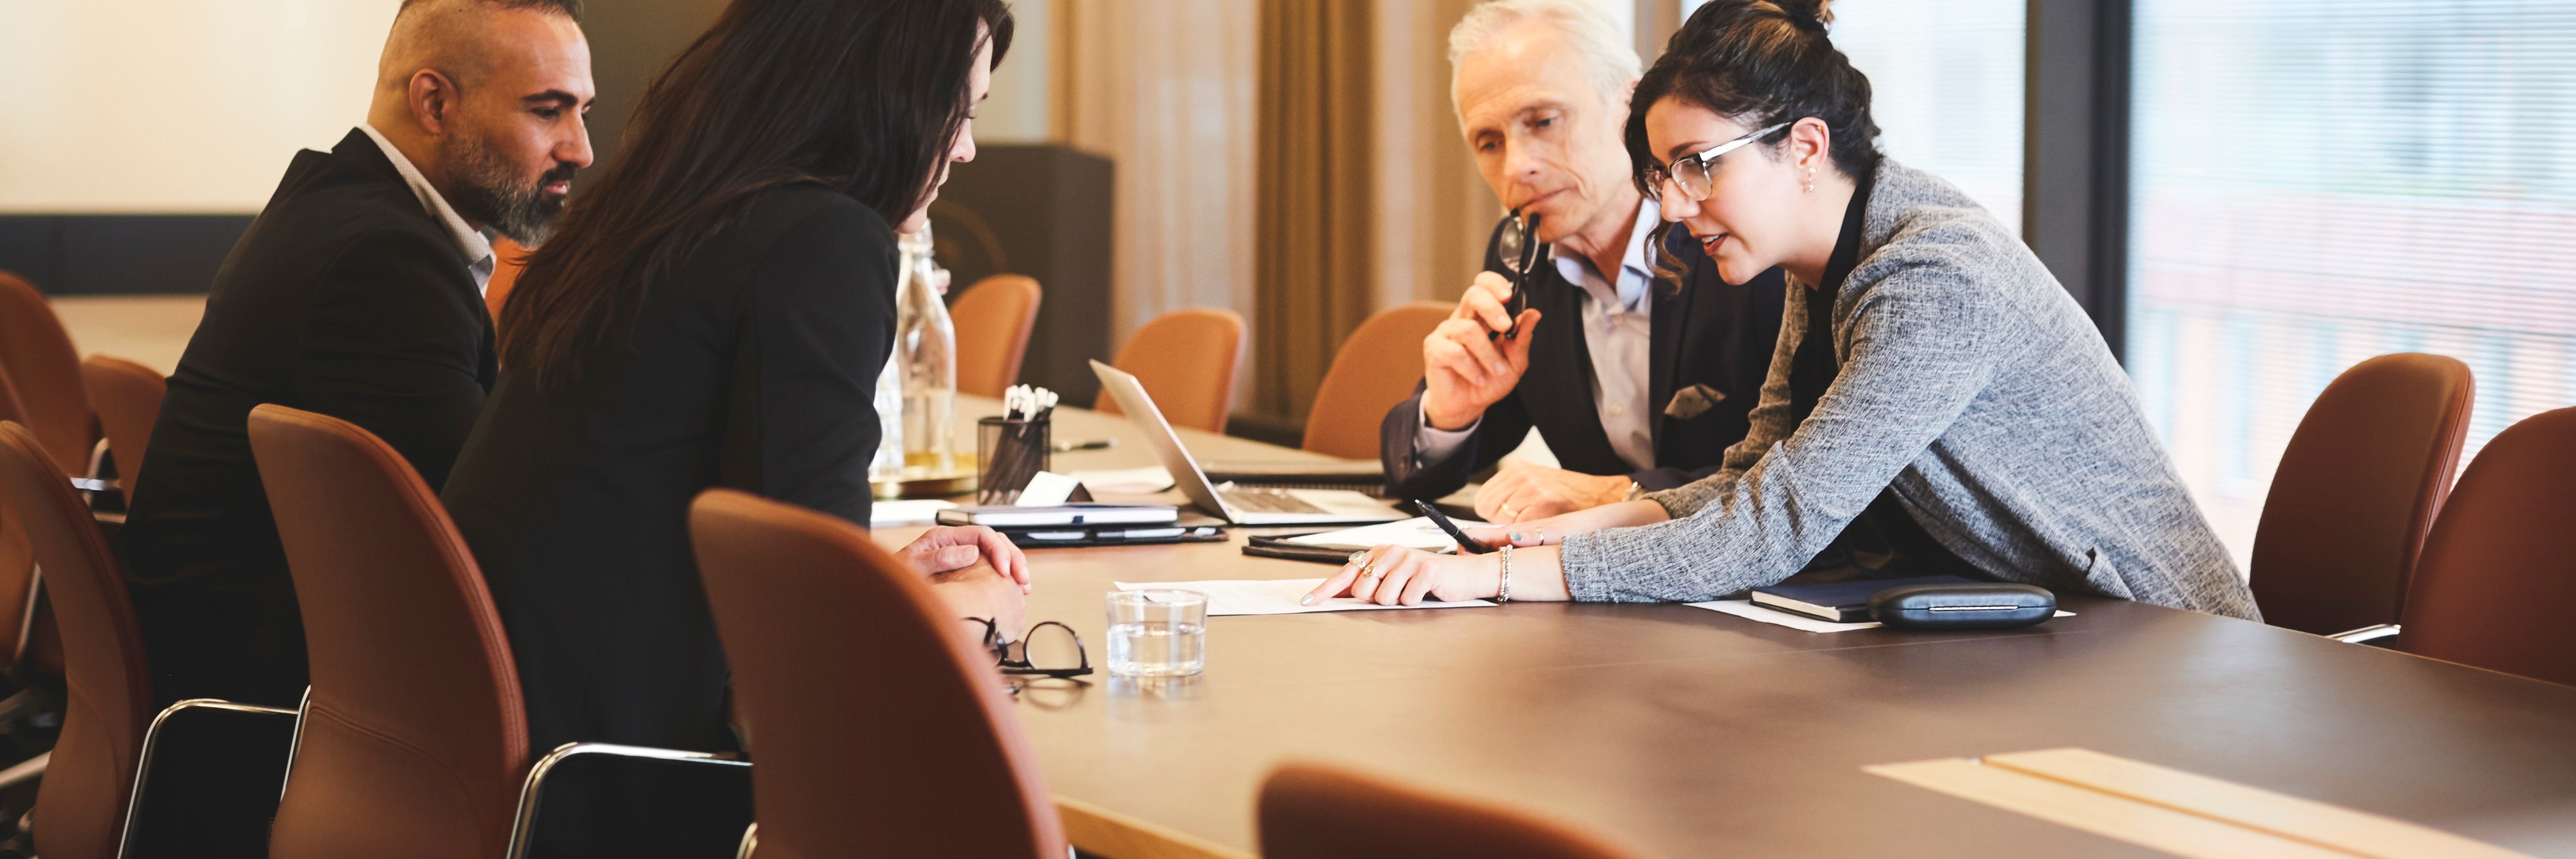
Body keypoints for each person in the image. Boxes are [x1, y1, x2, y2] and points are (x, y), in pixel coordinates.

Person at [1312, 0, 2259, 620]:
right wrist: (1535, 536)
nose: (1675, 207)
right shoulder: (1828, 269)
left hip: (2163, 639)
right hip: (2044, 633)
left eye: (1697, 168)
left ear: (1804, 147)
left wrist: (1501, 577)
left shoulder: (1934, 275)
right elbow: (1747, 475)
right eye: (1665, 174)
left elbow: (1777, 521)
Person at [439, 0, 1026, 852]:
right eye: (960, 111)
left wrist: (872, 581)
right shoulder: (824, 241)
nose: (964, 147)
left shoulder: (649, 218)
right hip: (631, 786)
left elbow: (667, 516)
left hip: (511, 754)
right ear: (884, 97)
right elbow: (814, 667)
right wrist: (976, 614)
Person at [119, 0, 595, 711]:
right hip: (261, 724)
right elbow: (489, 541)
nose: (581, 149)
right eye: (548, 111)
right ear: (434, 103)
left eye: (584, 111)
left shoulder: (339, 208)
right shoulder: (382, 264)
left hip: (226, 681)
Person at [1381, 0, 1783, 524]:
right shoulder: (1520, 265)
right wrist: (1448, 414)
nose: (1517, 167)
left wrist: (1619, 494)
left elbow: (1810, 474)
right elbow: (1416, 476)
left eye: (1544, 121)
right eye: (1489, 142)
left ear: (1631, 106)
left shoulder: (1739, 241)